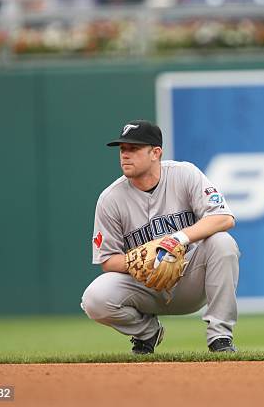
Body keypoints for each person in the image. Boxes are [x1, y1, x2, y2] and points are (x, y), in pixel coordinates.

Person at [82, 120, 240, 354]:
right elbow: (108, 260)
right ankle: (148, 333)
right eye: (122, 149)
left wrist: (176, 240)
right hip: (145, 285)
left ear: (156, 153)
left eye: (133, 148)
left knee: (223, 242)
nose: (125, 155)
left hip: (190, 278)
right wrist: (141, 260)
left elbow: (224, 218)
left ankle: (220, 337)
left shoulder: (184, 174)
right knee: (94, 299)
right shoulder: (110, 199)